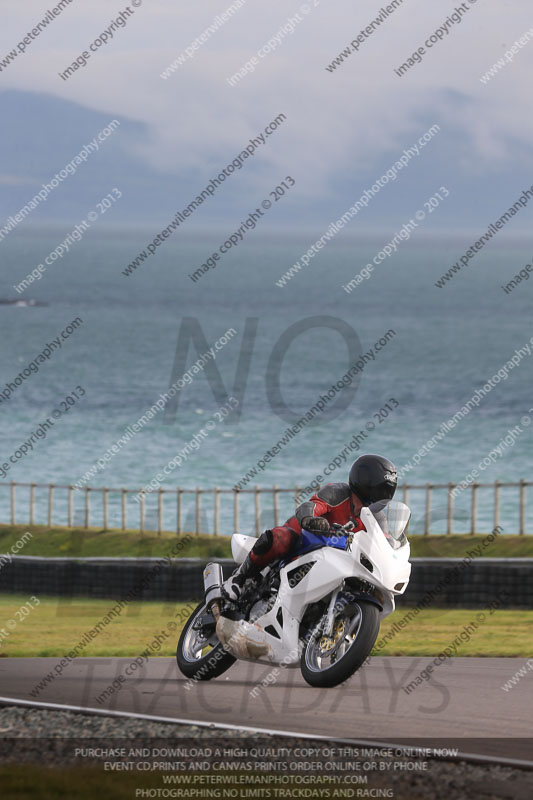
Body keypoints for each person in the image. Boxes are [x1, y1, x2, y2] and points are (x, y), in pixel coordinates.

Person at [223, 453, 398, 601]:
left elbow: (385, 543)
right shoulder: (338, 492)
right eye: (380, 489)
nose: (383, 495)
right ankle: (239, 578)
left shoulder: (378, 518)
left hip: (339, 560)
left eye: (386, 490)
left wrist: (395, 554)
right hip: (306, 541)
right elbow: (311, 506)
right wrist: (311, 519)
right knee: (280, 538)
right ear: (365, 482)